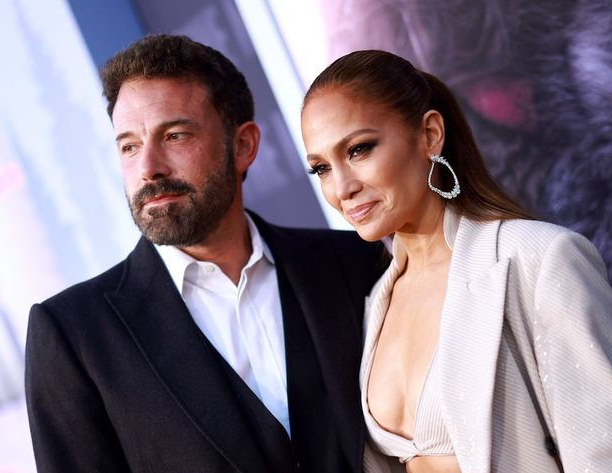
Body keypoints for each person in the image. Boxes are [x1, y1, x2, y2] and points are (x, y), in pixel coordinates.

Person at [24, 34, 384, 473]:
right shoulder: (72, 335)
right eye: (129, 145)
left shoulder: (352, 262)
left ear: (243, 145)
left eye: (174, 135)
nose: (147, 167)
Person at [300, 49, 612, 473]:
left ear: (431, 134)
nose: (341, 186)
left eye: (360, 149)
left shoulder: (538, 261)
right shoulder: (377, 297)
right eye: (321, 168)